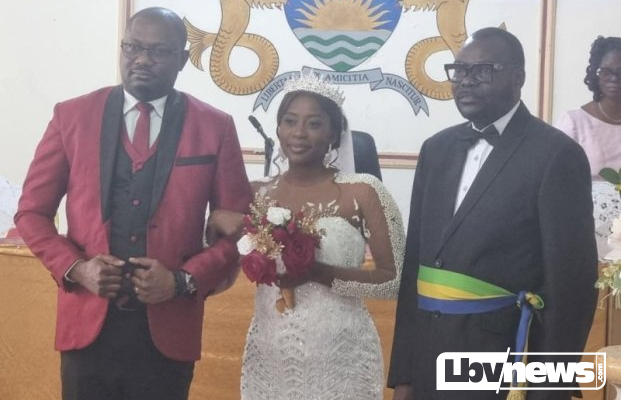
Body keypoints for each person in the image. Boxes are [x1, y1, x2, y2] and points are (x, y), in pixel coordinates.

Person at [14, 7, 251, 400]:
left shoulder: (215, 126)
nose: (142, 59)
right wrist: (77, 268)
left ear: (182, 59)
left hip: (169, 329)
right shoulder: (72, 116)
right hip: (87, 325)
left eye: (158, 51)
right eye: (133, 48)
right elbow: (31, 213)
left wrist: (181, 281)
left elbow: (242, 232)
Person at [387, 27, 598, 400]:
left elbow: (570, 290)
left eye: (482, 70)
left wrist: (547, 391)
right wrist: (404, 373)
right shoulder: (436, 149)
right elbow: (414, 269)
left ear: (518, 77)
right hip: (427, 363)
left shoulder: (555, 155)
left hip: (499, 363)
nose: (466, 81)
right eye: (459, 70)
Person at [208, 73, 405, 400]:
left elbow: (393, 281)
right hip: (270, 352)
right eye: (290, 121)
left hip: (341, 356)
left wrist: (317, 273)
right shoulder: (255, 194)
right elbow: (219, 265)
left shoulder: (364, 192)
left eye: (314, 124)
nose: (299, 133)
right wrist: (213, 219)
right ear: (278, 129)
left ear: (334, 134)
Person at [555, 36, 621, 256]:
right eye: (607, 72)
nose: (614, 79)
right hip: (585, 229)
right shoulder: (574, 122)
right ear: (596, 74)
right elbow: (558, 184)